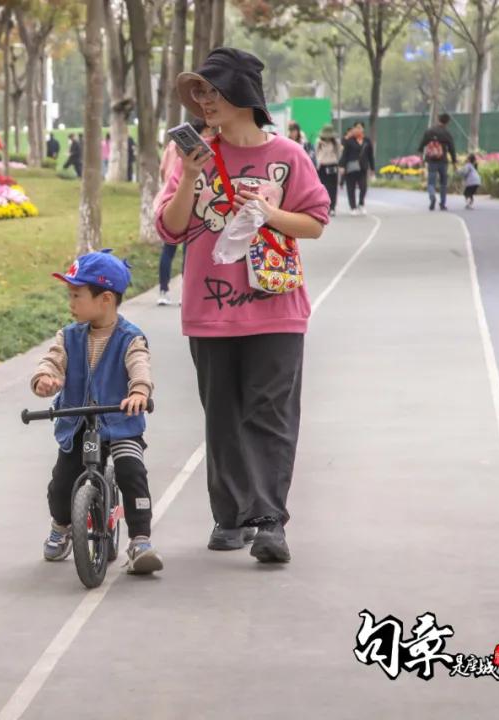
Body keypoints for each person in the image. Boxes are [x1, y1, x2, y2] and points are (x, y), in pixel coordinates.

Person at [157, 47, 330, 563]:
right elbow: (170, 227)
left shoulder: (288, 156)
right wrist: (190, 174)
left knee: (271, 412)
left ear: (243, 95)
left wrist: (270, 212)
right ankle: (229, 515)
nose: (204, 101)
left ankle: (270, 520)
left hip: (277, 304)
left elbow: (316, 223)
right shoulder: (189, 154)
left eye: (212, 90)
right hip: (209, 309)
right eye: (199, 92)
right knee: (222, 416)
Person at [31, 249, 163, 574]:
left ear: (105, 299)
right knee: (62, 483)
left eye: (77, 295)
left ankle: (140, 541)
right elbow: (52, 360)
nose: (71, 303)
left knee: (132, 473)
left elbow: (139, 366)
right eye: (70, 295)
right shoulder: (69, 336)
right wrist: (45, 379)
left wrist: (139, 392)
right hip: (79, 425)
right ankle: (62, 526)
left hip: (120, 424)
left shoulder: (129, 338)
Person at [155, 119, 216, 306]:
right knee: (187, 250)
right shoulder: (202, 150)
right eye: (209, 130)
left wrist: (166, 185)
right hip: (187, 198)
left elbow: (163, 169)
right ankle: (185, 290)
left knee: (168, 250)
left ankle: (163, 290)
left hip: (170, 198)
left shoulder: (172, 145)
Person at [418, 112, 457, 211]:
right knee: (443, 183)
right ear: (447, 122)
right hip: (443, 161)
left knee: (431, 182)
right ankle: (442, 204)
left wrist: (421, 158)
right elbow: (452, 148)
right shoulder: (447, 133)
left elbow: (422, 145)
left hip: (432, 161)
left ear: (438, 119)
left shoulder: (430, 131)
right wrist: (454, 162)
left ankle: (432, 197)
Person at [339, 122, 375, 215]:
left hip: (362, 168)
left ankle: (361, 203)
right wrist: (342, 166)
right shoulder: (349, 140)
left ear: (363, 129)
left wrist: (372, 168)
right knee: (350, 188)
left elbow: (370, 155)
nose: (358, 129)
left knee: (363, 187)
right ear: (353, 129)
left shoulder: (367, 141)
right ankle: (353, 207)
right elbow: (344, 155)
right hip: (350, 168)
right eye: (356, 128)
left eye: (360, 128)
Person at [315, 125, 340, 216]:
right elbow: (316, 153)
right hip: (322, 166)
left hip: (332, 166)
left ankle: (332, 207)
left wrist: (337, 162)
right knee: (323, 188)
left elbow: (338, 153)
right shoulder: (319, 142)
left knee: (333, 188)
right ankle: (324, 207)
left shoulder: (335, 142)